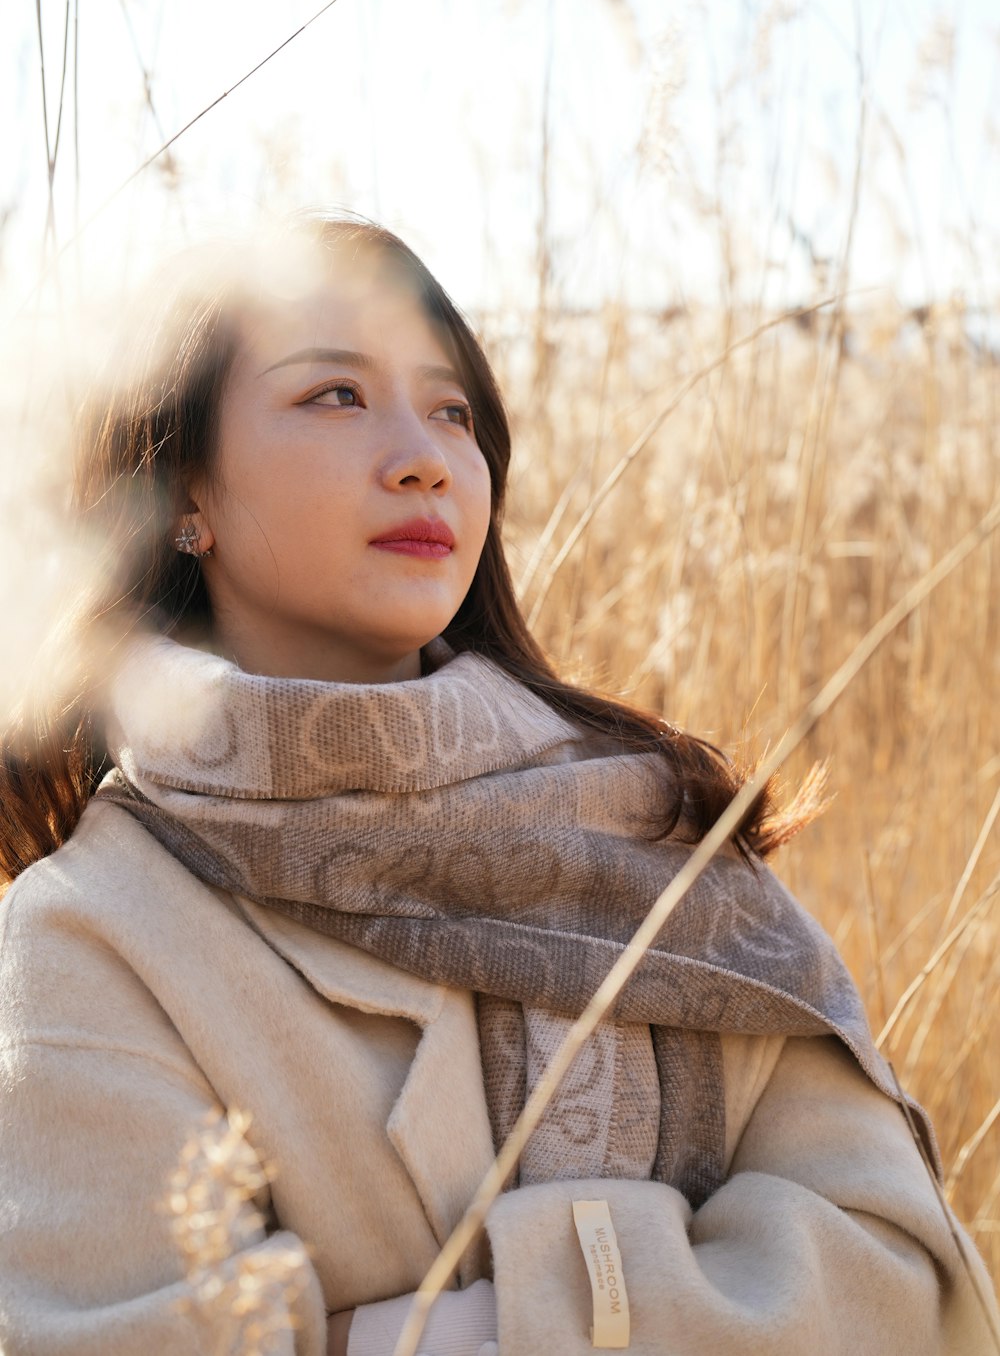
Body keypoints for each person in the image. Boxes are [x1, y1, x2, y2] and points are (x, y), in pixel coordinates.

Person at [0, 212, 996, 1356]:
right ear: (184, 493)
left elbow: (895, 1276)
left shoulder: (648, 834)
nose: (423, 455)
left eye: (454, 410)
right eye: (334, 395)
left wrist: (400, 1334)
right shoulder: (96, 933)